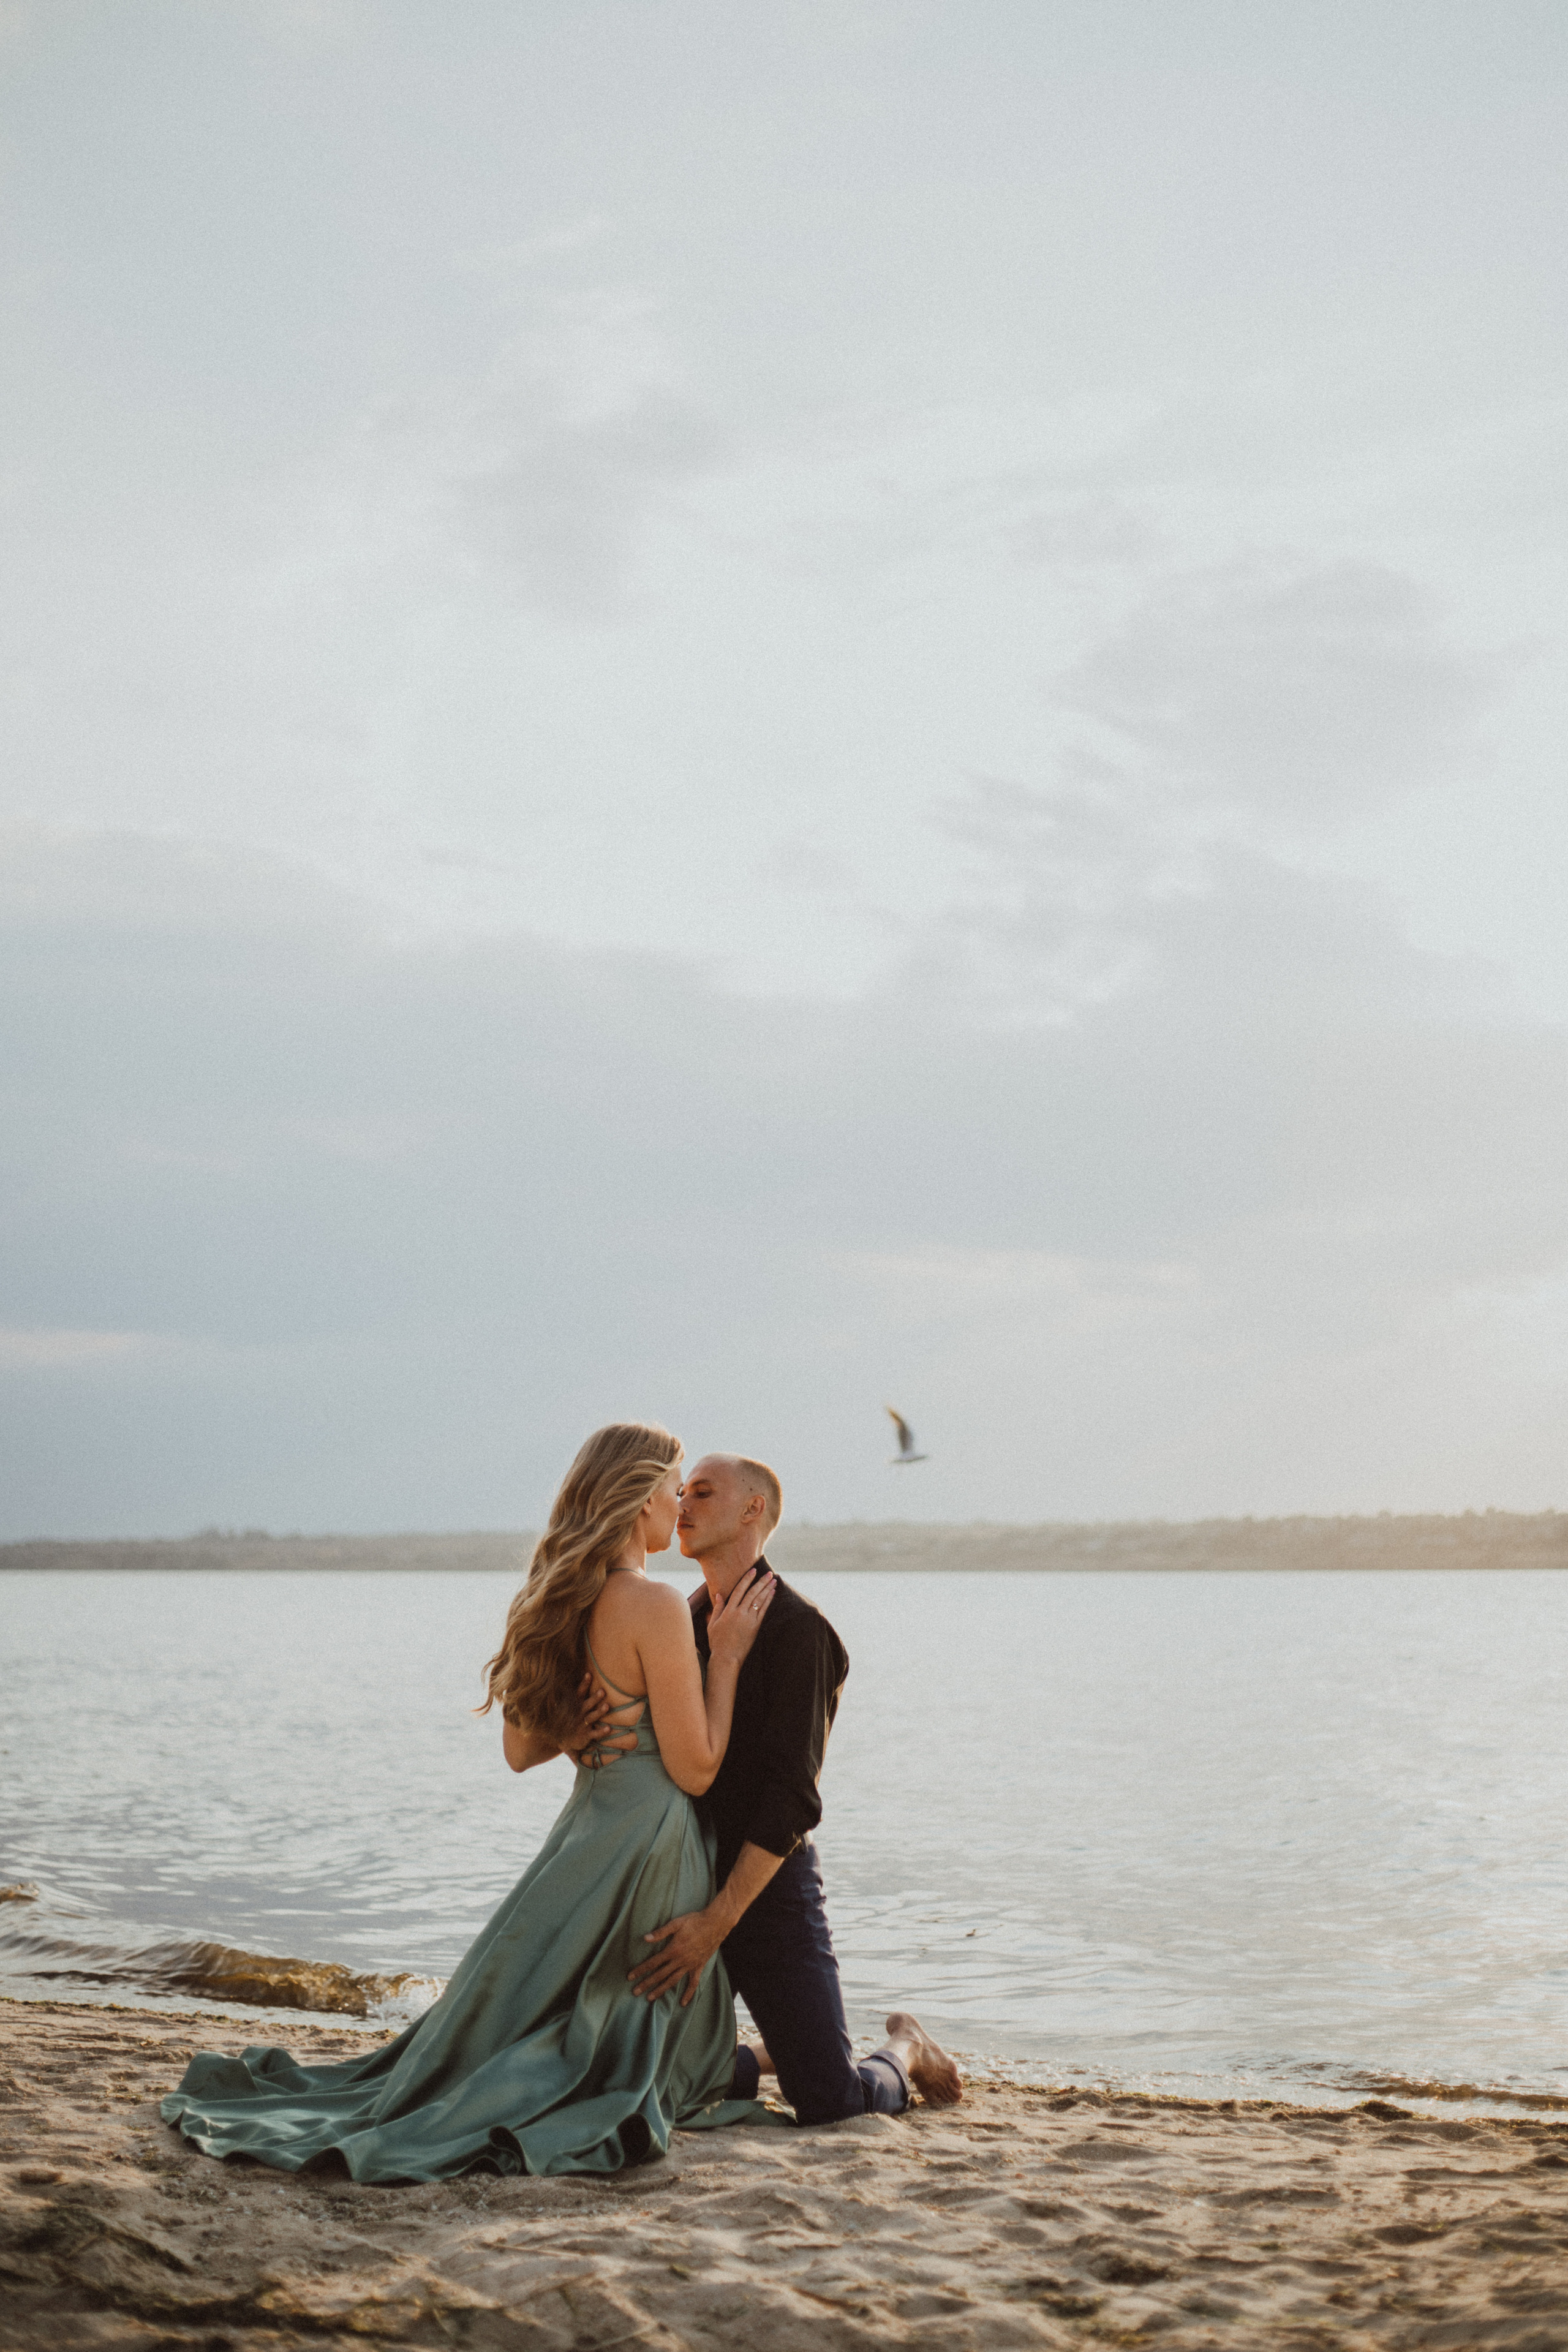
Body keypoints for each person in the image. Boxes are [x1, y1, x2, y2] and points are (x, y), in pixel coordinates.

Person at [161, 1422, 777, 2181]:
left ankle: (757, 2058)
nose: (678, 1501)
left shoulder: (556, 1598)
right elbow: (697, 1771)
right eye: (673, 1484)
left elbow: (520, 1752)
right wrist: (729, 1658)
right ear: (637, 1494)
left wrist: (572, 1726)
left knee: (561, 2013)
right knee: (629, 2029)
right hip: (648, 1841)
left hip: (585, 1833)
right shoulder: (651, 1604)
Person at [620, 1452, 962, 2124]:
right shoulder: (676, 1622)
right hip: (681, 1879)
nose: (681, 1505)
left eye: (703, 1492)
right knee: (655, 2075)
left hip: (766, 1886)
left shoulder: (799, 1630)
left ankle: (905, 2046)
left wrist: (716, 1922)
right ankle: (783, 2048)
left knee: (831, 2104)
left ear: (753, 1509)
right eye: (680, 1492)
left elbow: (791, 1804)